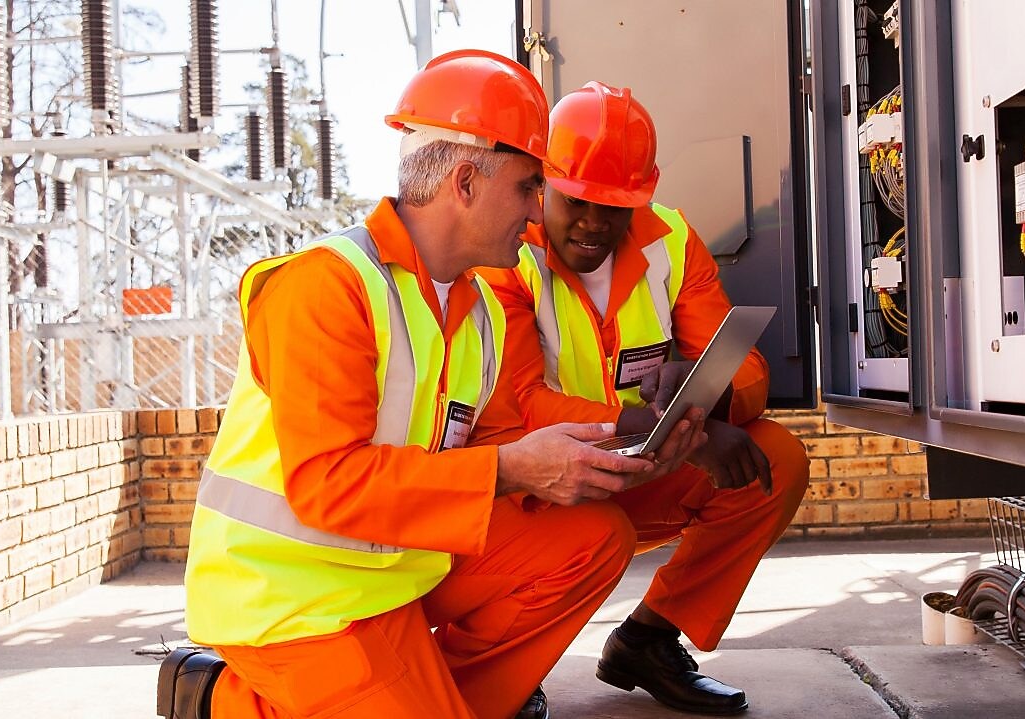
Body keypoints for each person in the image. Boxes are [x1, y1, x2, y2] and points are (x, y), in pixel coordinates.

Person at [180, 55, 705, 719]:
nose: (539, 208)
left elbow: (490, 449)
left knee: (593, 538)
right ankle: (225, 701)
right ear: (465, 182)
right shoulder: (327, 287)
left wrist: (607, 457)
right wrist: (512, 469)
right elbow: (328, 484)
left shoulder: (474, 310)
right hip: (293, 599)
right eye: (527, 187)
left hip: (393, 573)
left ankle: (437, 698)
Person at [480, 81, 811, 716]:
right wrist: (663, 421)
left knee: (777, 462)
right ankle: (508, 665)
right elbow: (524, 405)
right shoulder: (506, 254)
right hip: (540, 489)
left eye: (616, 205)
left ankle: (648, 639)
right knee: (591, 535)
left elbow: (748, 370)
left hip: (645, 464)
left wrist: (703, 398)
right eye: (577, 200)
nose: (594, 223)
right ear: (543, 183)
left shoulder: (670, 240)